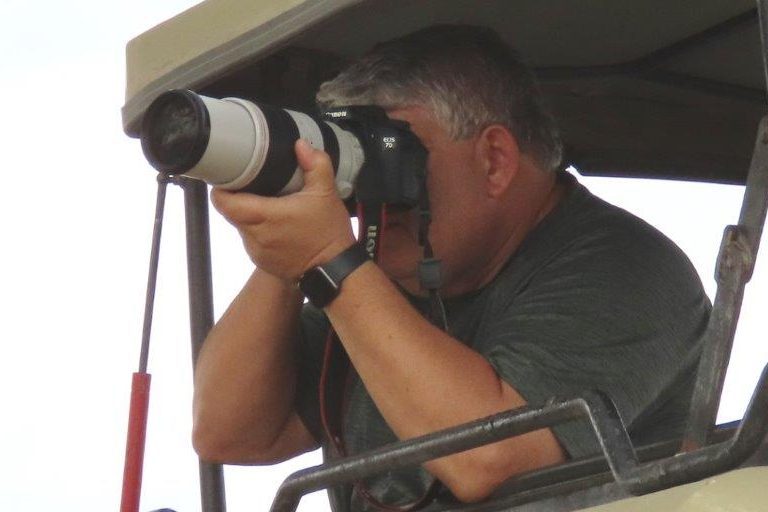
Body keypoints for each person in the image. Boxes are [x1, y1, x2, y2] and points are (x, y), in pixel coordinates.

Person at [192, 25, 710, 510]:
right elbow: (231, 433)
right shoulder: (371, 284)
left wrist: (327, 259)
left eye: (395, 156)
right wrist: (287, 244)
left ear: (494, 161)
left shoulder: (625, 270)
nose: (369, 191)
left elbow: (487, 459)